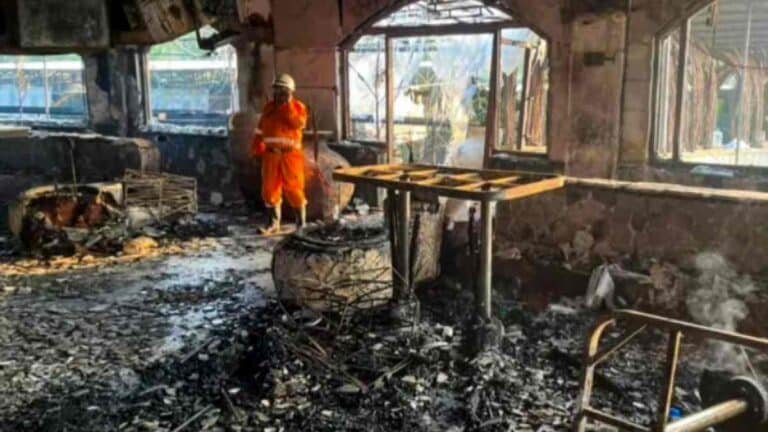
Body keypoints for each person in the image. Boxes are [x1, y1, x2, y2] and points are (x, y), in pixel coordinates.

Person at [251, 73, 308, 234]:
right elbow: (260, 130)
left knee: (294, 189)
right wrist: (256, 150)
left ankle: (301, 225)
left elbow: (298, 124)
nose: (278, 93)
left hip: (291, 156)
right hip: (271, 156)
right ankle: (273, 224)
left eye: (282, 90)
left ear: (290, 91)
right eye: (276, 89)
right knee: (269, 190)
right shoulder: (268, 108)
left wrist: (287, 105)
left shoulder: (298, 107)